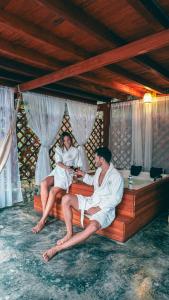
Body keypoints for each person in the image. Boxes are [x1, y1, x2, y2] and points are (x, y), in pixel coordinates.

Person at [42, 147, 124, 262]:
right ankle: (69, 233)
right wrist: (83, 175)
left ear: (101, 159)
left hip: (105, 209)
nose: (94, 160)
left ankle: (57, 249)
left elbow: (116, 198)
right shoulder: (100, 171)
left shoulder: (116, 176)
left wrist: (98, 208)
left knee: (93, 226)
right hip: (92, 201)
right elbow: (93, 182)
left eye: (95, 158)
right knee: (66, 198)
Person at [32, 131, 83, 233]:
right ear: (62, 142)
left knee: (52, 192)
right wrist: (66, 167)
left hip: (67, 174)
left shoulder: (76, 150)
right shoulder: (59, 149)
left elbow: (78, 165)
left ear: (71, 140)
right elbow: (58, 162)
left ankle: (42, 221)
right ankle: (45, 215)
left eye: (68, 140)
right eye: (64, 141)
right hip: (58, 171)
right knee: (43, 183)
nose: (67, 142)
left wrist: (74, 174)